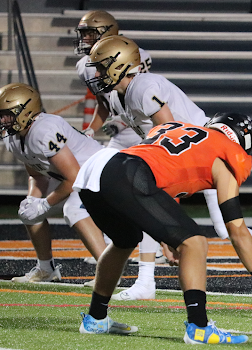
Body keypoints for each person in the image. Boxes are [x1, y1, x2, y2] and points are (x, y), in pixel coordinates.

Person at [85, 34, 252, 301]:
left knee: (224, 226)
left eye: (101, 66)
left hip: (201, 155)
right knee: (175, 217)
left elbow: (166, 130)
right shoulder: (122, 94)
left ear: (119, 66)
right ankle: (146, 280)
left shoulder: (143, 87)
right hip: (185, 153)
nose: (95, 73)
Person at [73, 114, 252, 343]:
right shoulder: (226, 154)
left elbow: (157, 182)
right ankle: (199, 327)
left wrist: (166, 236)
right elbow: (237, 230)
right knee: (195, 241)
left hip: (99, 167)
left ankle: (96, 319)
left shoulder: (180, 130)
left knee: (125, 240)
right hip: (127, 172)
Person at [74, 10, 161, 293]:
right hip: (125, 139)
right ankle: (113, 264)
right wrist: (91, 130)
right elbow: (105, 100)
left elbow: (141, 94)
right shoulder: (85, 65)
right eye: (83, 33)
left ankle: (151, 256)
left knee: (144, 197)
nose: (85, 38)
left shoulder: (135, 55)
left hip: (146, 136)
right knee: (81, 197)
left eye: (91, 32)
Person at [0, 82, 107, 283]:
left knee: (74, 209)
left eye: (8, 113)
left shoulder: (44, 130)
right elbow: (37, 175)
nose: (3, 119)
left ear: (26, 111)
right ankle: (46, 269)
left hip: (101, 172)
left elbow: (74, 177)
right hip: (77, 176)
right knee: (28, 212)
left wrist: (45, 204)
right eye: (1, 114)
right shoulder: (14, 138)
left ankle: (107, 274)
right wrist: (32, 200)